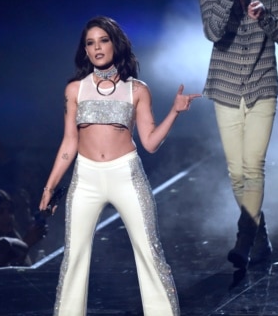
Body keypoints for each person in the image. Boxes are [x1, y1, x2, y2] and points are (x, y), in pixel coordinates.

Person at [38, 16, 200, 316]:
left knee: (150, 253)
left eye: (103, 40)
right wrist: (50, 187)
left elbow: (150, 143)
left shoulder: (136, 89)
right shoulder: (74, 89)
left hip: (126, 174)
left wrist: (175, 112)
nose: (97, 47)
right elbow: (69, 143)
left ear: (115, 43)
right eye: (90, 43)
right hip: (85, 177)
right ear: (84, 50)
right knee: (73, 258)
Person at [197, 0, 278, 269]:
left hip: (261, 83)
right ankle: (259, 231)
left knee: (253, 167)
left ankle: (244, 235)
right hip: (225, 86)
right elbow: (212, 31)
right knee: (236, 172)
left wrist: (265, 18)